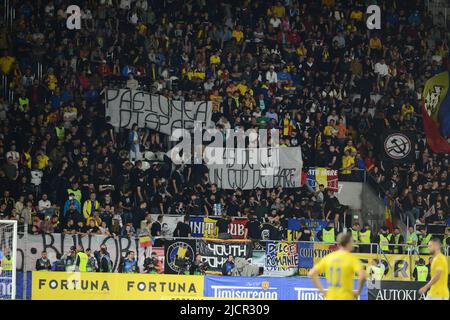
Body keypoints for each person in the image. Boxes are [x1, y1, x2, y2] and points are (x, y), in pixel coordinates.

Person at [308, 232, 367, 300]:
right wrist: (358, 292)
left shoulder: (329, 257)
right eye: (352, 242)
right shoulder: (351, 258)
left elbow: (312, 273)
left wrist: (323, 291)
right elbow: (362, 276)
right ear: (348, 243)